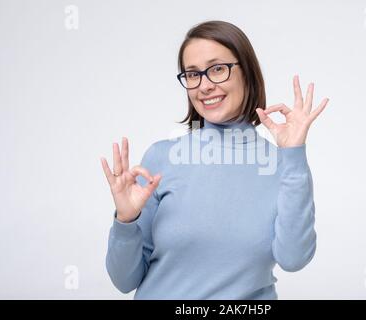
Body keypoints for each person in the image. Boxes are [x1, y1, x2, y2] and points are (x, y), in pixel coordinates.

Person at [100, 20, 329, 299]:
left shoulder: (284, 166)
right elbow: (125, 280)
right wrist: (125, 221)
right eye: (193, 74)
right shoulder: (161, 158)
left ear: (247, 72)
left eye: (218, 69)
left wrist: (293, 155)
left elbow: (294, 259)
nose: (204, 86)